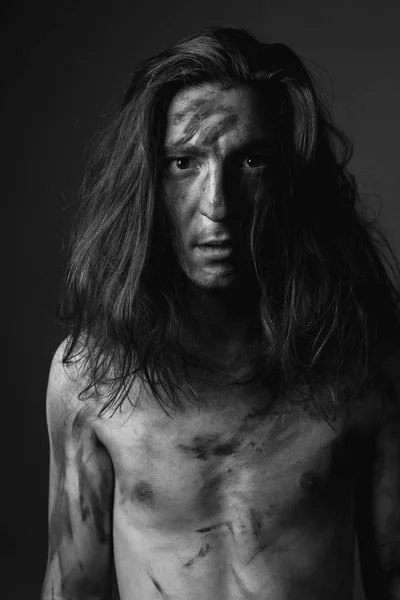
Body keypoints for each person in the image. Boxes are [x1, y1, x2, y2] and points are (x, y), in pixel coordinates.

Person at [41, 27, 400, 600]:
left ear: (290, 178)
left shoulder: (365, 366)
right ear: (146, 185)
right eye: (184, 162)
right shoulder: (91, 378)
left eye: (252, 161)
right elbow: (73, 585)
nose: (217, 206)